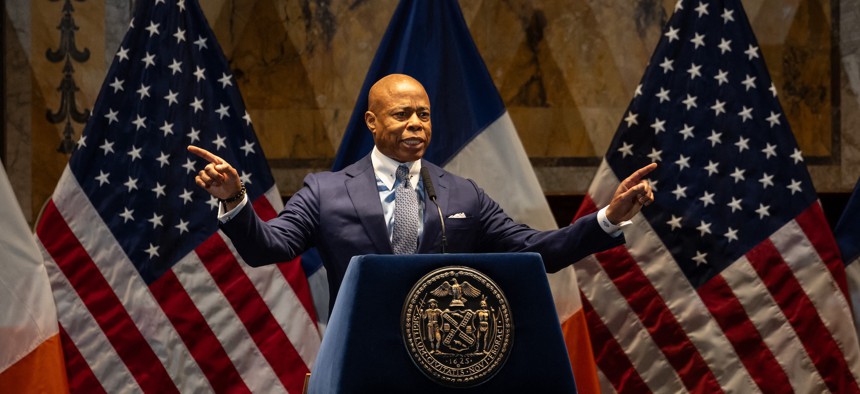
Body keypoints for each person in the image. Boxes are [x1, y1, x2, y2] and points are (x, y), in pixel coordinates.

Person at [188, 74, 656, 305]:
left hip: (446, 357)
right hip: (361, 359)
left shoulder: (462, 193)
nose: (416, 124)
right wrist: (234, 199)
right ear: (371, 122)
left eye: (424, 114)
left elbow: (539, 250)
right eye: (401, 114)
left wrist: (608, 219)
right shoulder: (325, 190)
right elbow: (269, 247)